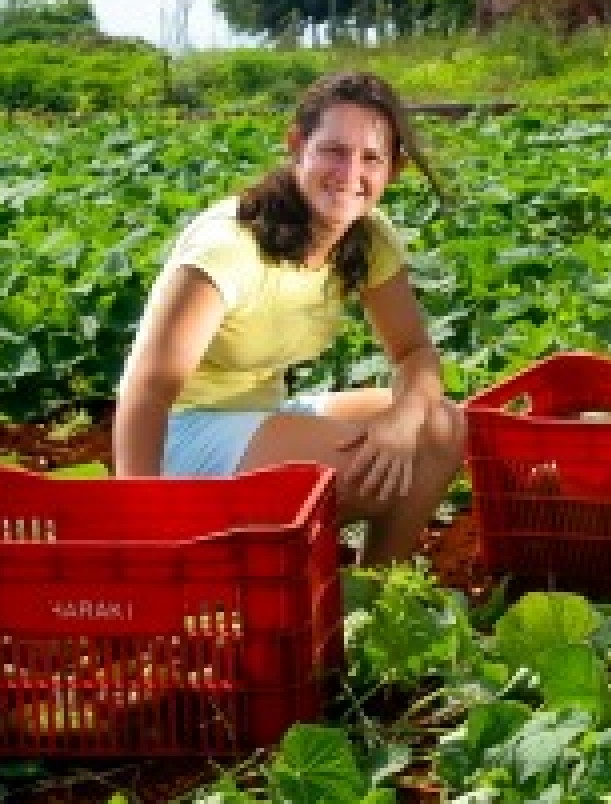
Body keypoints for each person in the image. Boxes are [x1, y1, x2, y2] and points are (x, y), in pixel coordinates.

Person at [114, 71, 465, 565]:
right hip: (185, 434)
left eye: (371, 158)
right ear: (297, 144)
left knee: (440, 429)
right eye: (334, 151)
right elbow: (147, 388)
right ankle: (253, 570)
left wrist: (404, 419)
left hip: (266, 414)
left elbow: (414, 353)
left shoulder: (367, 237)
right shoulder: (228, 247)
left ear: (394, 170)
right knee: (366, 473)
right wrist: (138, 521)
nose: (350, 174)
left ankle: (375, 593)